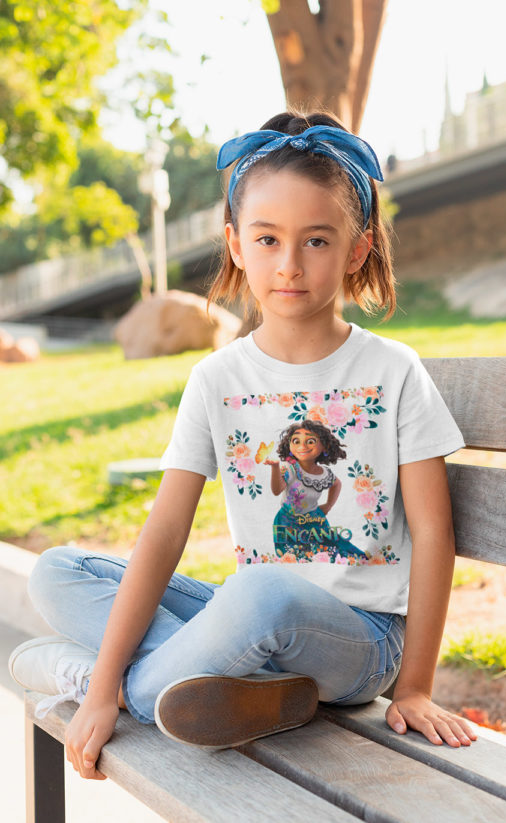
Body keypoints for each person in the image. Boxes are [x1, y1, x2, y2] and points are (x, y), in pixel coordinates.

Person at [9, 110, 476, 781]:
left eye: (316, 241)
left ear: (357, 247)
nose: (289, 265)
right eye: (267, 239)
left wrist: (416, 686)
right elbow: (166, 529)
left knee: (261, 593)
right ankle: (236, 688)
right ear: (235, 243)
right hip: (257, 626)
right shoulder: (218, 378)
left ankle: (102, 680)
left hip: (362, 640)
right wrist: (113, 667)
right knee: (58, 571)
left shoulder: (392, 371)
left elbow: (435, 531)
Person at [266, 419, 368, 560]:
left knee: (332, 550)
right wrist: (275, 468)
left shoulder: (324, 473)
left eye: (310, 441)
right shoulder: (290, 468)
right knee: (297, 557)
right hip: (288, 523)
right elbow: (277, 490)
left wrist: (328, 505)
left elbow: (336, 484)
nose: (302, 446)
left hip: (315, 521)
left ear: (324, 447)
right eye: (296, 441)